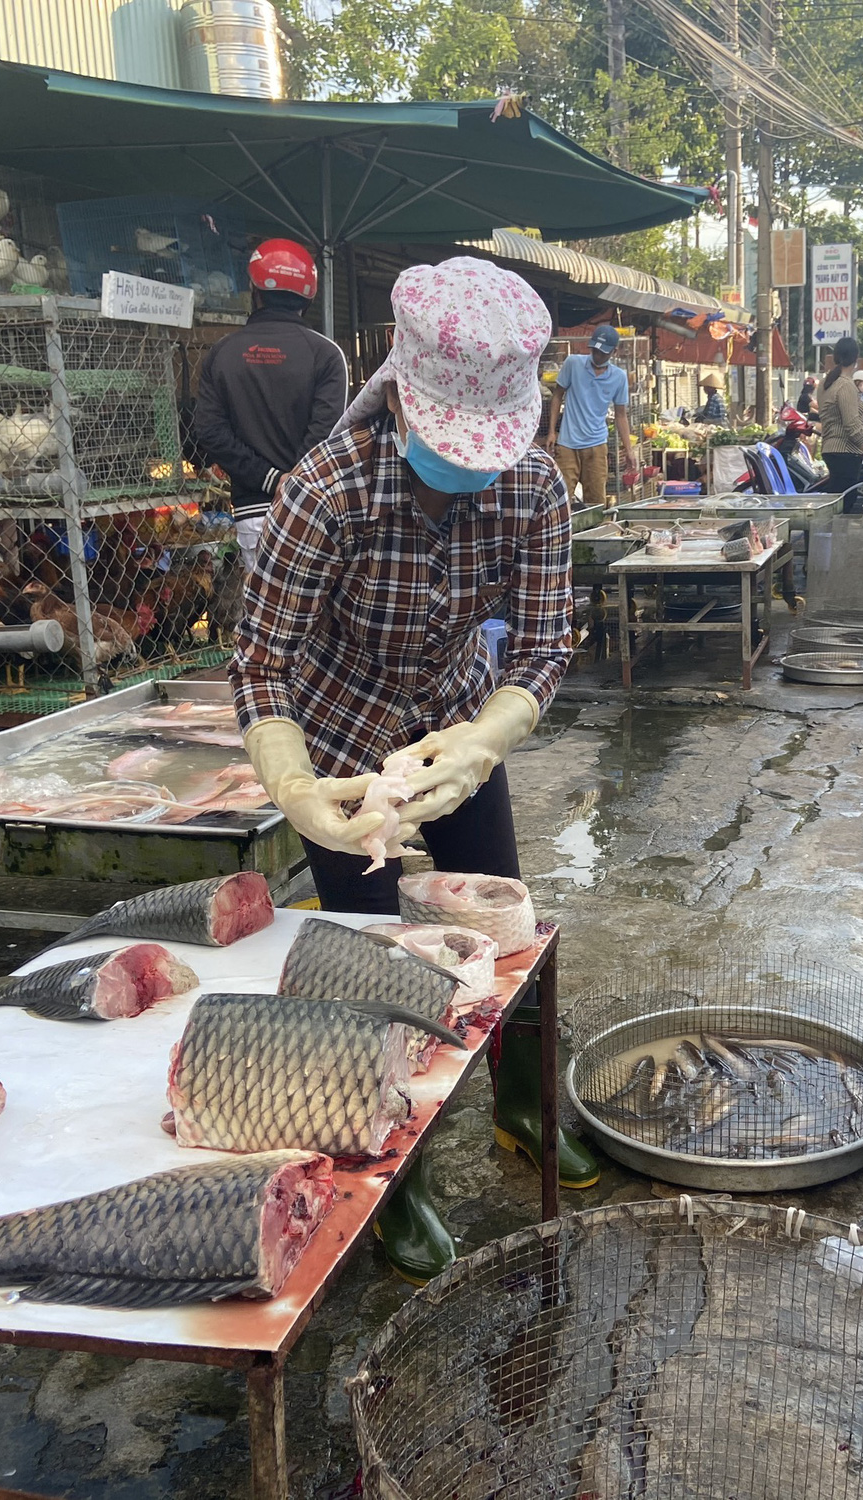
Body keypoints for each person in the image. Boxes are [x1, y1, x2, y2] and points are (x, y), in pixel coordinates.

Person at [230, 255, 598, 1283]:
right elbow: (261, 661)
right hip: (336, 738)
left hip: (452, 721)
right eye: (452, 451)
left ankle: (524, 1106)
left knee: (503, 919)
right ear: (398, 398)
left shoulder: (530, 487)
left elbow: (539, 648)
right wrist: (298, 791)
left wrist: (483, 741)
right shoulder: (327, 491)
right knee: (370, 959)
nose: (474, 470)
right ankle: (398, 1172)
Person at [193, 239, 348, 574]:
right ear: (309, 297)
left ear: (253, 289)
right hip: (317, 514)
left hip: (254, 514)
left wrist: (269, 480)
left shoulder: (222, 353)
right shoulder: (326, 355)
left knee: (267, 621)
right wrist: (292, 483)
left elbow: (210, 431)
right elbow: (327, 438)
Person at [547, 324, 636, 505]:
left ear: (614, 352)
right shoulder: (573, 363)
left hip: (596, 445)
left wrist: (628, 450)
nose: (597, 355)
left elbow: (621, 415)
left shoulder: (619, 377)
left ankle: (593, 532)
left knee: (596, 502)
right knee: (560, 499)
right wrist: (551, 431)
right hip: (567, 444)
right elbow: (557, 396)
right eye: (595, 350)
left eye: (603, 353)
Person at [815, 335, 863, 491]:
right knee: (845, 504)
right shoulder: (845, 385)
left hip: (830, 449)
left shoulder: (825, 383)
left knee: (837, 499)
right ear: (855, 358)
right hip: (846, 451)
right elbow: (851, 424)